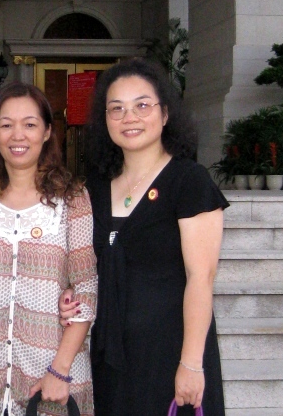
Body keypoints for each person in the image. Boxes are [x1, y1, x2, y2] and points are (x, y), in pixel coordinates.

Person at [60, 58, 228, 415]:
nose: (129, 118)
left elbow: (201, 278)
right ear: (105, 120)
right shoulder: (96, 187)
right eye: (116, 109)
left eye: (142, 106)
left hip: (170, 353)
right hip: (111, 355)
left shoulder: (189, 181)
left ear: (165, 114)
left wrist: (191, 363)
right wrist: (70, 295)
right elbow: (91, 266)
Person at [0, 82, 98, 416]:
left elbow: (86, 287)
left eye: (29, 124)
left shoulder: (72, 198)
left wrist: (60, 369)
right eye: (6, 125)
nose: (18, 135)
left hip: (52, 379)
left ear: (47, 131)